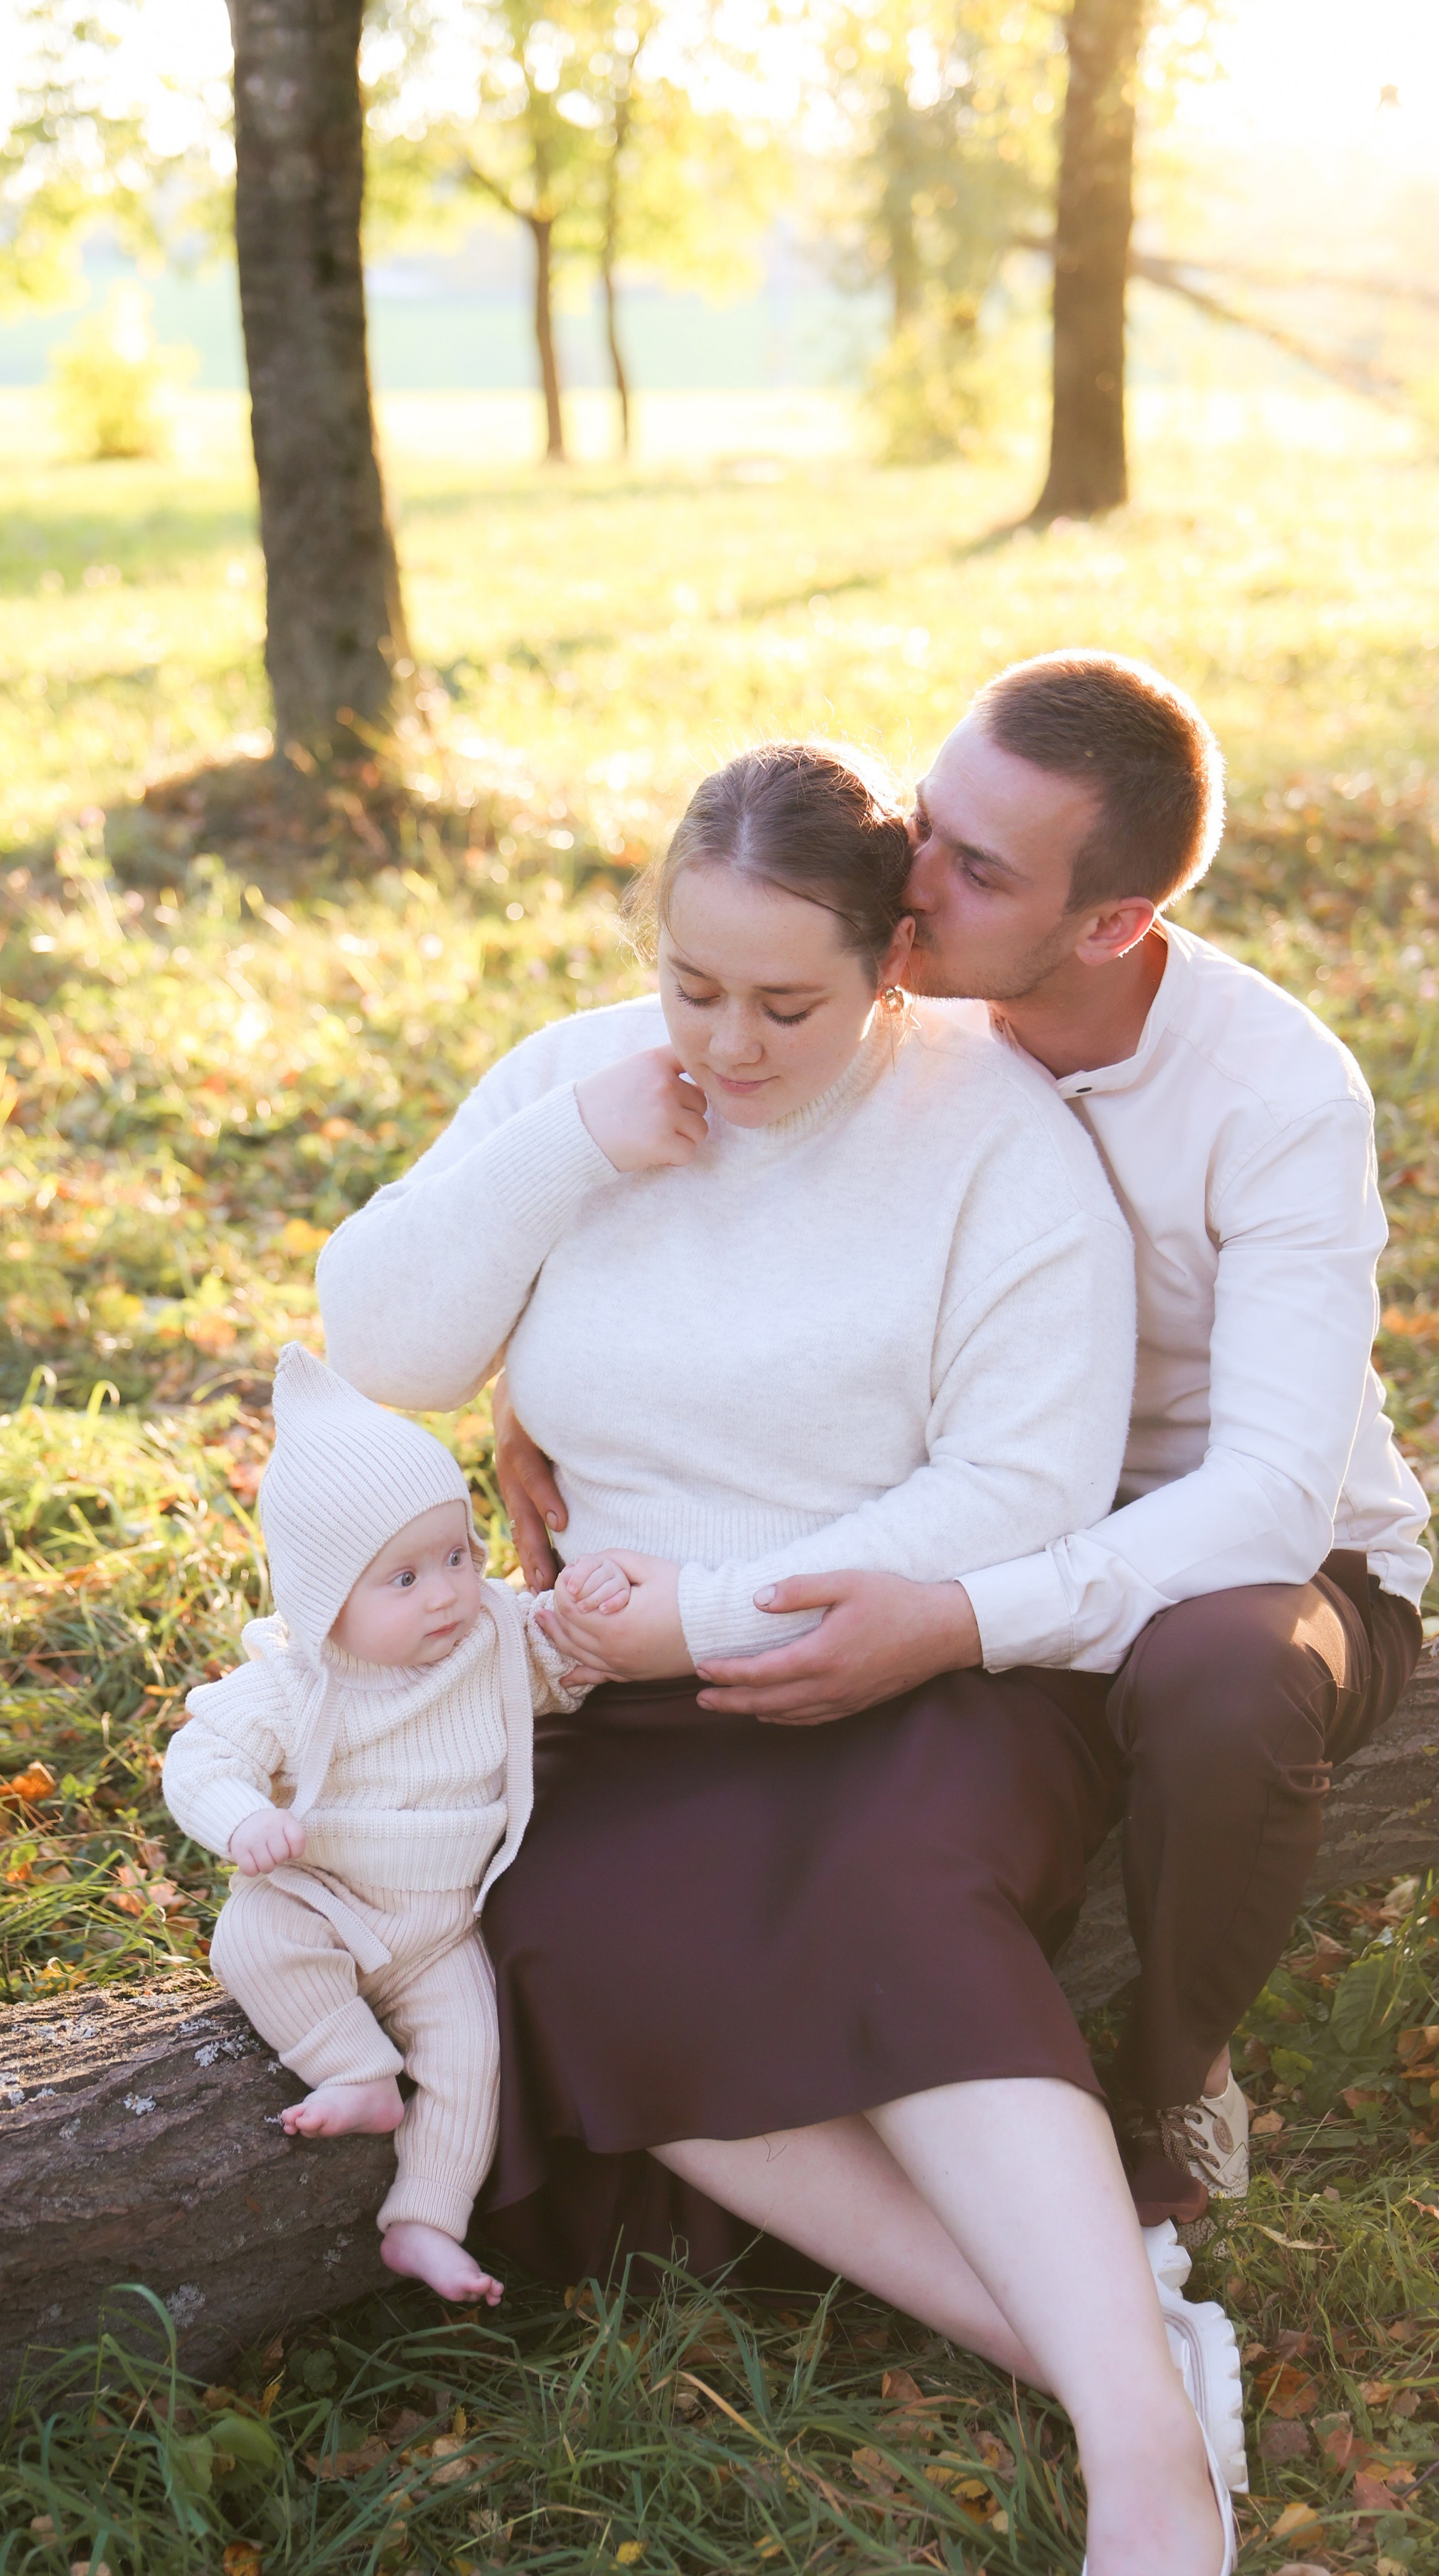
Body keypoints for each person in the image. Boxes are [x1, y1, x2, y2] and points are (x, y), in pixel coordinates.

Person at [320, 744, 1239, 2576]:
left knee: (879, 1886)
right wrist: (573, 1146)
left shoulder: (985, 1130)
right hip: (620, 1697)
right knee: (567, 1946)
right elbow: (382, 1338)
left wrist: (719, 1611)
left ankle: (1150, 2467)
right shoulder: (578, 1086)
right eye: (692, 985)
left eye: (784, 1004)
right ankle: (1104, 2347)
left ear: (891, 963)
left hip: (922, 1664)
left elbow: (1020, 1483)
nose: (727, 1046)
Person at [497, 653, 1430, 2226]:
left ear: (1110, 924)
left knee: (1219, 1676)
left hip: (1224, 1557)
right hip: (943, 1509)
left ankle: (1176, 2069)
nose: (907, 881)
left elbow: (1267, 1496)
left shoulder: (1275, 1095)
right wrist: (530, 1381)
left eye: (976, 869)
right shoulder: (890, 1021)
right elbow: (686, 1190)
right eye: (928, 821)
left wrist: (958, 1619)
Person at [161, 1342, 596, 2306]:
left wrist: (585, 1628)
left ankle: (427, 2221)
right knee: (253, 1939)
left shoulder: (487, 1640)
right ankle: (353, 2070)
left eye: (455, 1554)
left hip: (443, 1926)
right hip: (327, 1894)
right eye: (401, 1578)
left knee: (470, 2061)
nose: (444, 1590)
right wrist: (239, 1822)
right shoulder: (290, 1681)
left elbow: (562, 1668)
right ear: (323, 1599)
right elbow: (201, 1758)